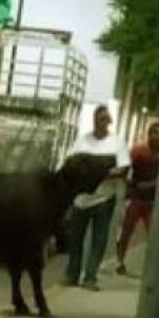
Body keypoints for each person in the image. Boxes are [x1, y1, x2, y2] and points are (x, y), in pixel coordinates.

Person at [63, 106, 130, 291]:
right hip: (81, 198)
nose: (100, 122)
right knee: (75, 238)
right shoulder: (82, 141)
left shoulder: (117, 143)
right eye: (97, 119)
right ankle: (72, 274)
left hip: (103, 197)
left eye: (103, 119)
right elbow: (70, 163)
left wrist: (100, 173)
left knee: (98, 239)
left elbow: (124, 168)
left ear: (108, 122)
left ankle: (90, 276)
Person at [115, 121, 159, 276]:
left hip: (152, 200)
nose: (158, 136)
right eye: (155, 132)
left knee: (155, 235)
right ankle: (120, 262)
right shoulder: (138, 151)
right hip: (136, 198)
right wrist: (130, 189)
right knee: (126, 232)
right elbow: (126, 171)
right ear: (149, 133)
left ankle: (153, 267)